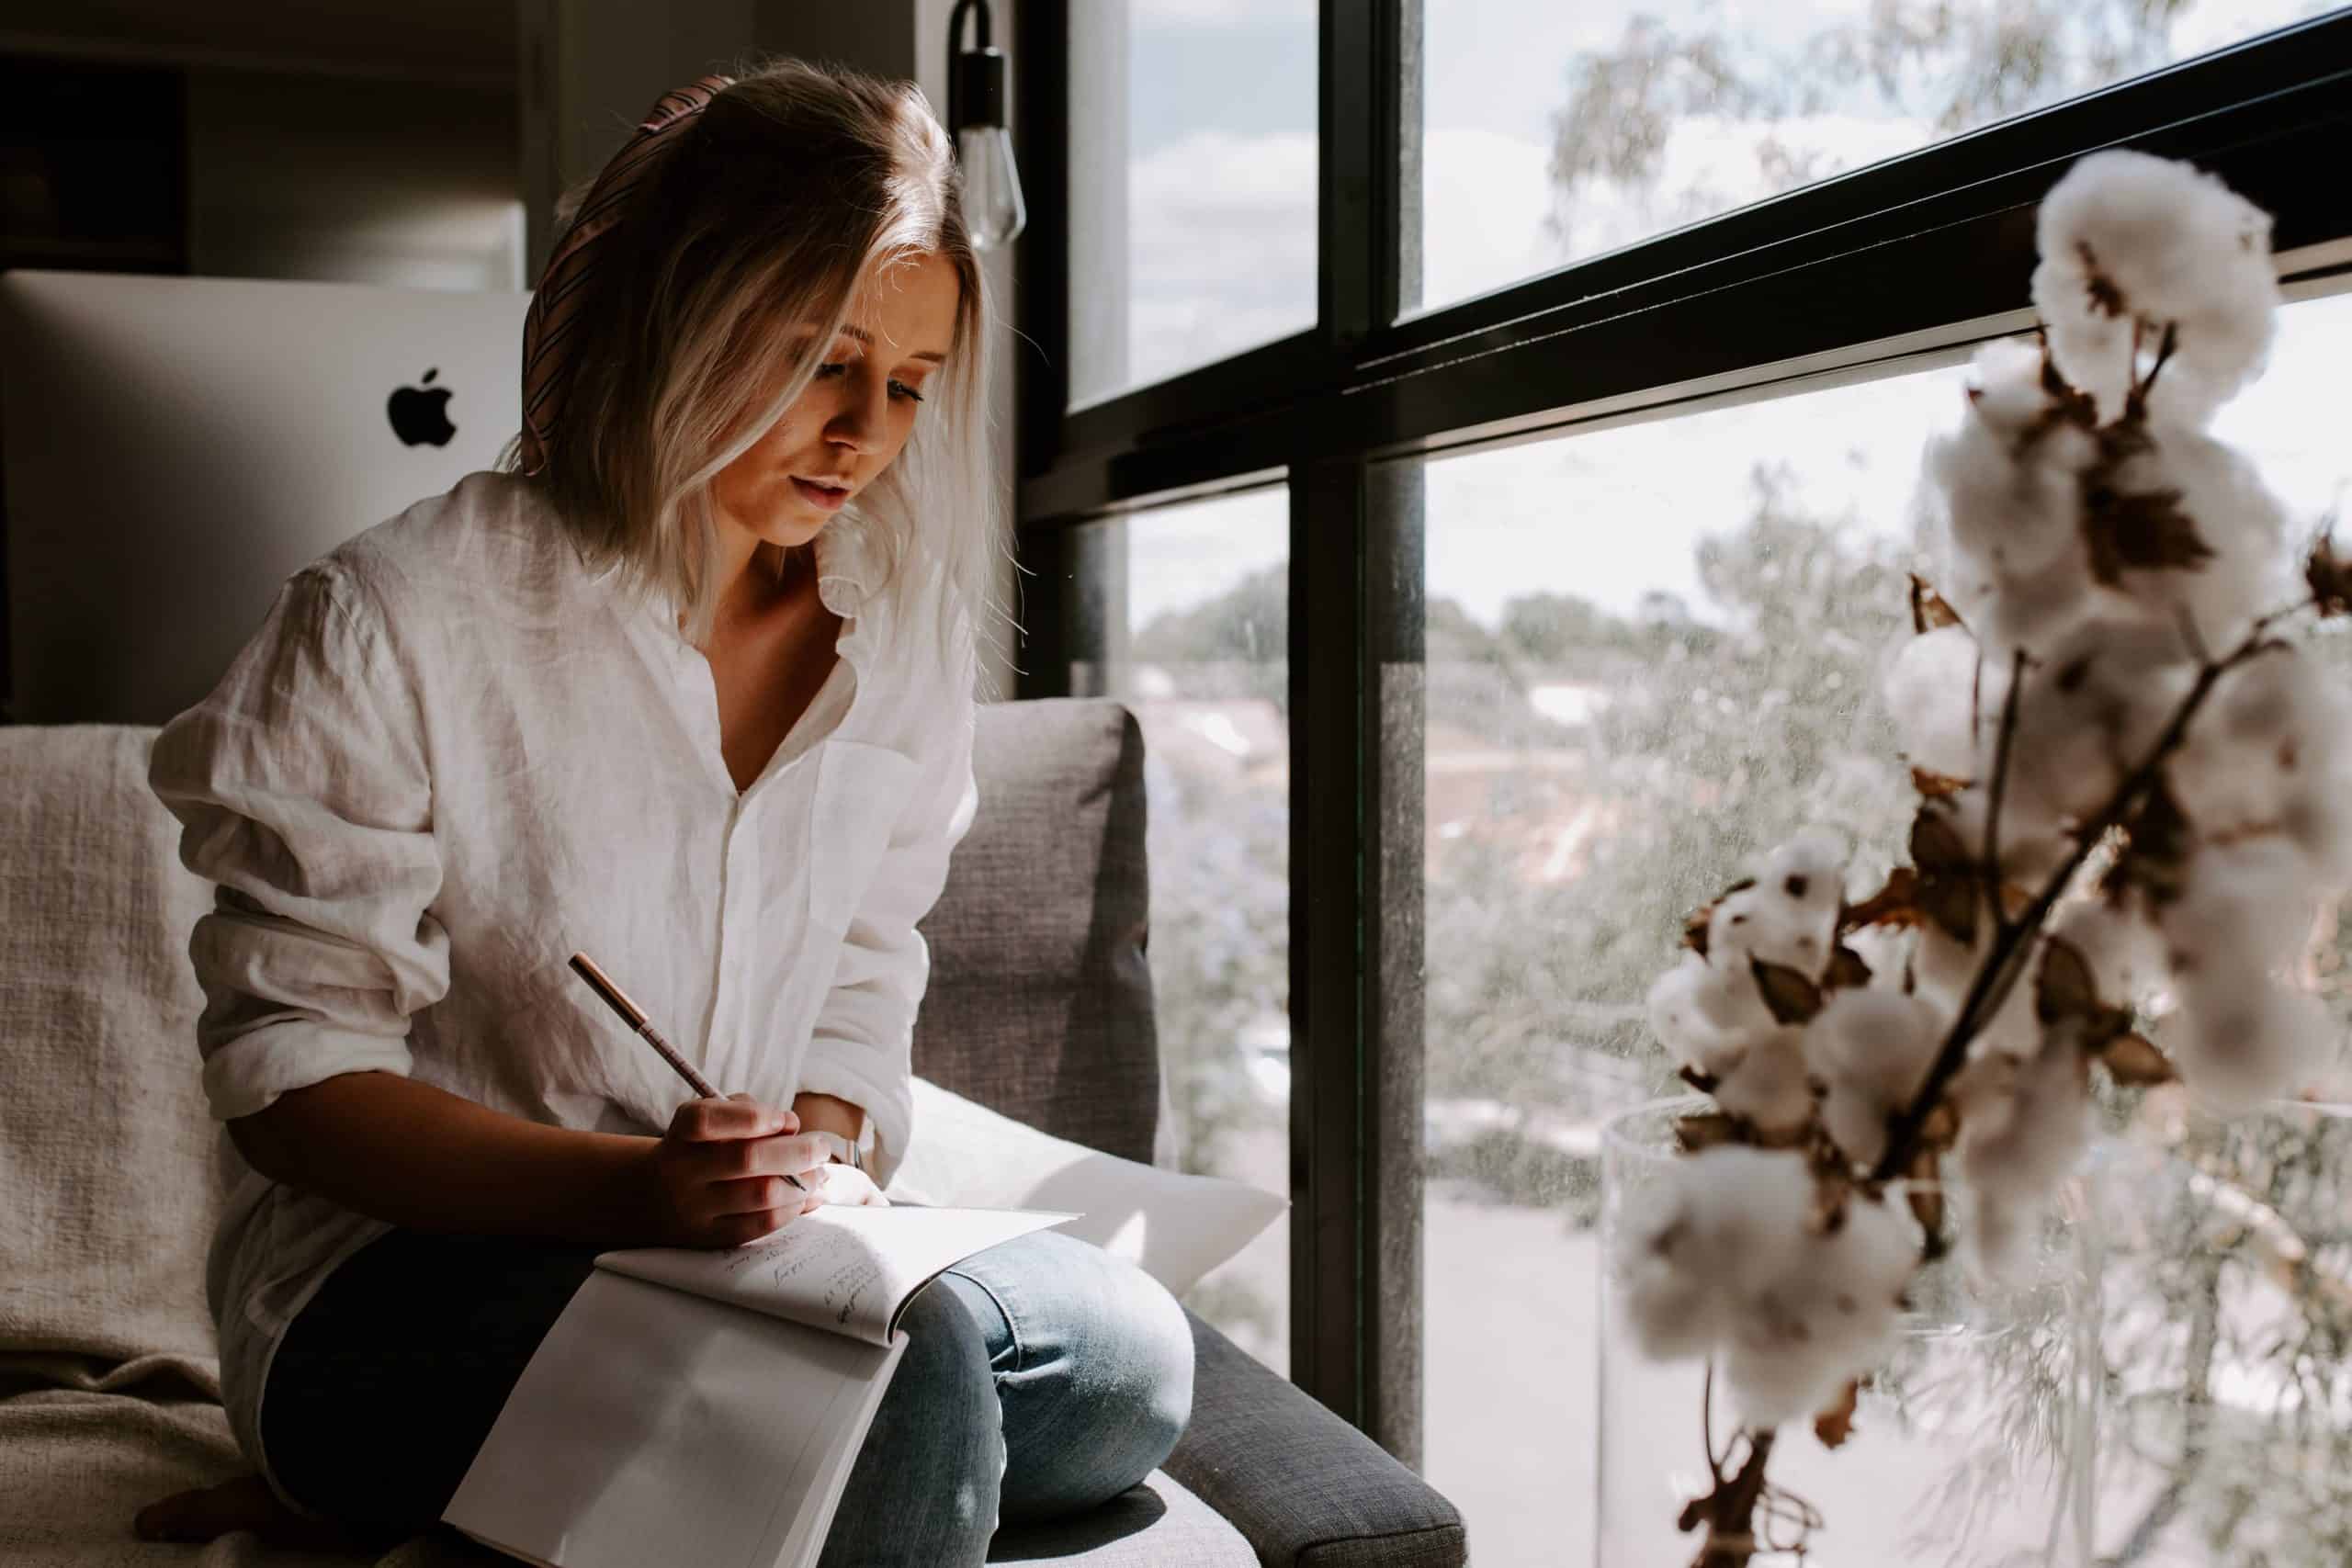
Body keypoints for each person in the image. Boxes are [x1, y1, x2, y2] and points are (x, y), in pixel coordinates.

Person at [131, 56, 1192, 1566]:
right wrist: (641, 1191)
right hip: (403, 1288)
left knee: (1132, 1362)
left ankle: (533, 1513)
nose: (865, 434)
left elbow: (859, 971)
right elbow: (300, 1086)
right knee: (918, 1387)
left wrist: (812, 1152)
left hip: (747, 1258)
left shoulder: (893, 631)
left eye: (907, 385)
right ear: (681, 320)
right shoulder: (396, 620)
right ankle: (430, 1473)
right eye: (823, 361)